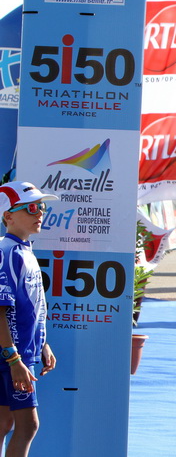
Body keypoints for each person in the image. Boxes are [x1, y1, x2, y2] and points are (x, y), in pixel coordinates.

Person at [0, 182, 59, 457]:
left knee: (3, 423)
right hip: (12, 356)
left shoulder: (23, 249)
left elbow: (33, 306)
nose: (40, 214)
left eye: (42, 207)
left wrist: (42, 344)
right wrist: (14, 360)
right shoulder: (8, 253)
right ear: (8, 216)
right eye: (32, 208)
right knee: (28, 426)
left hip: (19, 354)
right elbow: (0, 310)